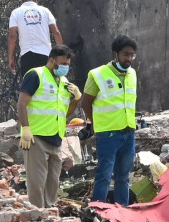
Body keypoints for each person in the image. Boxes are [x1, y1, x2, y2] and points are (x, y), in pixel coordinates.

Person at [17, 44, 81, 208]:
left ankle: (49, 215)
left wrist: (75, 100)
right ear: (52, 61)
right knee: (37, 183)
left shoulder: (64, 82)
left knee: (52, 184)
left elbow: (64, 113)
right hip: (36, 137)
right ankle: (37, 216)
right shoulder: (36, 75)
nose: (65, 67)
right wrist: (25, 129)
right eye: (63, 63)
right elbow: (22, 103)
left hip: (56, 138)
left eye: (68, 64)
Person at [81, 35, 138, 206]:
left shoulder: (132, 73)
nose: (129, 59)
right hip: (107, 134)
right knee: (104, 175)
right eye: (125, 54)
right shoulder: (98, 74)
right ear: (115, 54)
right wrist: (94, 123)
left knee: (123, 177)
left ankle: (122, 211)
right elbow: (86, 102)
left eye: (132, 55)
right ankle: (98, 210)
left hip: (128, 132)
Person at [8, 0, 64, 79]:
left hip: (27, 56)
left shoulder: (16, 13)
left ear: (22, 0)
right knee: (48, 84)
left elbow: (12, 36)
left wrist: (10, 57)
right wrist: (61, 55)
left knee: (30, 86)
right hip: (45, 55)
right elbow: (56, 32)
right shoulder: (45, 11)